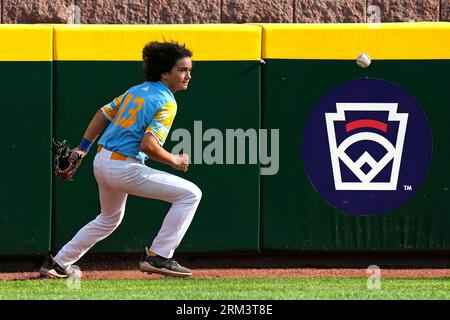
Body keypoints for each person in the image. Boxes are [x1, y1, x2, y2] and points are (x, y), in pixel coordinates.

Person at [40, 41, 202, 278]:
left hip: (102, 162)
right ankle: (159, 256)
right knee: (191, 194)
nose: (188, 75)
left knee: (109, 218)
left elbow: (102, 114)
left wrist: (83, 147)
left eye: (189, 70)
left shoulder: (136, 90)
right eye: (182, 70)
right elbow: (149, 146)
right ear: (165, 73)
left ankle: (59, 264)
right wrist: (174, 160)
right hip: (123, 168)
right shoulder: (167, 101)